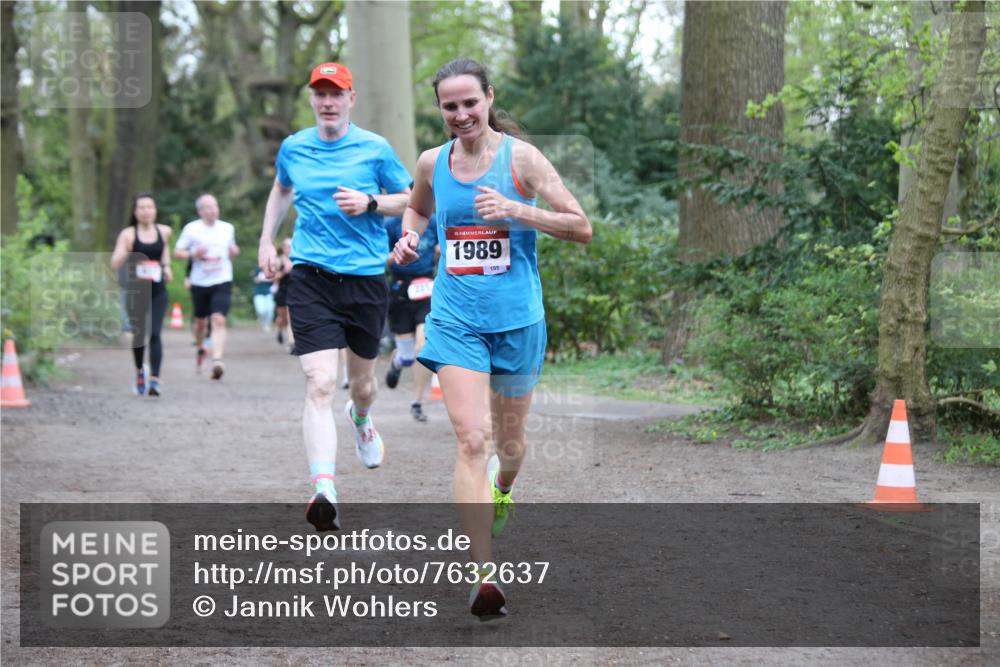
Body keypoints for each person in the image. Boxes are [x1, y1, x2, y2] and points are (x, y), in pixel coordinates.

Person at [391, 58, 591, 620]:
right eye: (449, 106)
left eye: (469, 103)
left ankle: (504, 487)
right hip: (455, 317)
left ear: (488, 98)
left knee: (508, 445)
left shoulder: (521, 158)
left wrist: (516, 210)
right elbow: (417, 209)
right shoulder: (432, 163)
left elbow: (581, 227)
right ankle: (483, 575)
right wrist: (409, 240)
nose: (460, 114)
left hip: (518, 320)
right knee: (471, 439)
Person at [258, 62, 412, 532]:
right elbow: (282, 189)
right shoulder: (294, 148)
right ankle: (324, 487)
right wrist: (267, 240)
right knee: (320, 382)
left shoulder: (375, 148)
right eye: (320, 93)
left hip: (365, 278)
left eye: (336, 93)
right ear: (311, 98)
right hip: (311, 277)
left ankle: (361, 418)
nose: (327, 102)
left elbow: (409, 197)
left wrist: (371, 204)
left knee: (360, 385)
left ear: (351, 99)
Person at [110, 193, 174, 397]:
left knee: (155, 333)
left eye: (150, 207)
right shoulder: (128, 234)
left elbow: (164, 251)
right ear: (135, 212)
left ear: (155, 210)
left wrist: (167, 267)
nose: (146, 211)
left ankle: (154, 380)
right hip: (136, 290)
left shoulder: (164, 231)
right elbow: (114, 263)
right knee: (139, 335)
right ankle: (140, 372)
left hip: (157, 290)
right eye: (142, 208)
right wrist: (127, 253)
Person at [174, 194, 238, 379]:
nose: (213, 210)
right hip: (200, 281)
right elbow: (177, 252)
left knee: (218, 319)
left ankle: (217, 360)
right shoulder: (191, 229)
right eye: (208, 207)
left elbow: (232, 249)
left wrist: (234, 251)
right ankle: (200, 345)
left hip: (222, 279)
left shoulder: (227, 228)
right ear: (200, 211)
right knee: (201, 322)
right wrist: (194, 252)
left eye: (215, 206)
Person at [384, 213, 439, 422]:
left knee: (422, 347)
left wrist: (438, 253)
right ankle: (398, 361)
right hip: (400, 288)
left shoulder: (434, 222)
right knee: (408, 356)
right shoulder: (391, 224)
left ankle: (417, 402)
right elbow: (383, 258)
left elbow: (440, 250)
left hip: (426, 289)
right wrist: (398, 254)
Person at [273, 238, 294, 350]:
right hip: (282, 291)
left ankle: (291, 342)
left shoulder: (296, 259)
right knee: (282, 317)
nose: (289, 248)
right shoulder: (278, 260)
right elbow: (273, 277)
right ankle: (279, 330)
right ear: (283, 248)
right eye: (287, 246)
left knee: (291, 316)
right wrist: (283, 272)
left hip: (294, 291)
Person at [251, 266, 275, 332]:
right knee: (260, 310)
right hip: (258, 293)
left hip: (269, 293)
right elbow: (255, 280)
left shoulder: (271, 269)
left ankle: (267, 324)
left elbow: (275, 280)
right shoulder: (258, 269)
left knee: (269, 310)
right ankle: (262, 321)